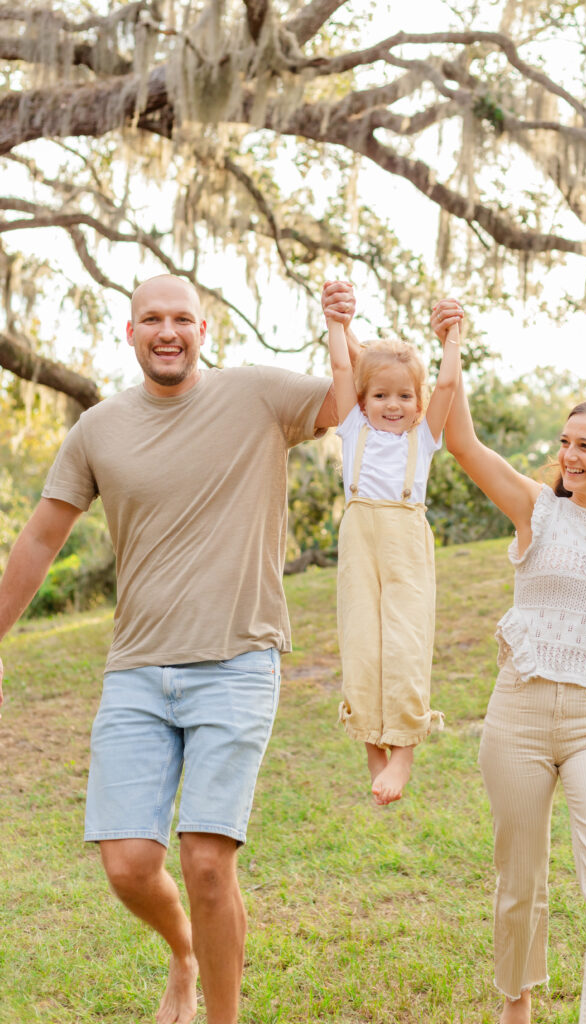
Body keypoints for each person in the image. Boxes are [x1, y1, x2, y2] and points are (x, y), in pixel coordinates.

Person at [0, 274, 351, 1024]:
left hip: (236, 660)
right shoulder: (97, 428)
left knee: (206, 862)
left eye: (182, 319)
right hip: (135, 669)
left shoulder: (255, 396)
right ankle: (184, 953)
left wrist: (337, 327)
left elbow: (341, 403)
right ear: (129, 332)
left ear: (204, 327)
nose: (168, 332)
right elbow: (40, 536)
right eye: (151, 319)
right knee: (128, 866)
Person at [431, 298, 586, 1024]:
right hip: (518, 713)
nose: (567, 456)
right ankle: (517, 1002)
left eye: (584, 446)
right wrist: (454, 344)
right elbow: (458, 440)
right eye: (564, 442)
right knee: (520, 878)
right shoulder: (535, 508)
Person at [322, 280, 461, 805]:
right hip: (359, 541)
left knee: (404, 640)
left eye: (405, 396)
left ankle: (403, 748)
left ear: (418, 402)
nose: (393, 405)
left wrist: (451, 340)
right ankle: (371, 747)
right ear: (362, 401)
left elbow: (445, 390)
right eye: (380, 395)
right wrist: (336, 325)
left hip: (405, 541)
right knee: (362, 640)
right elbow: (341, 370)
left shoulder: (423, 439)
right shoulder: (353, 428)